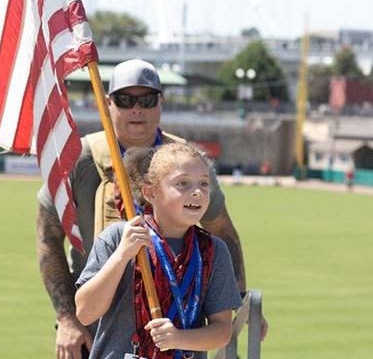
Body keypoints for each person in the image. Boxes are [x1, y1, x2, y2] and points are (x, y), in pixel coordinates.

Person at [36, 59, 266, 359]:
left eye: (146, 99)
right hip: (99, 320)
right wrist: (67, 318)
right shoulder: (80, 158)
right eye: (125, 99)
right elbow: (48, 238)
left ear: (161, 101)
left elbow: (223, 231)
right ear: (108, 103)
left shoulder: (185, 159)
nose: (136, 109)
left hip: (180, 326)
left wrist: (242, 302)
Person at [75, 143, 242, 358]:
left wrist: (178, 338)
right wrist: (122, 255)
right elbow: (85, 312)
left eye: (204, 183)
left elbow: (221, 331)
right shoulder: (118, 238)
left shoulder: (213, 250)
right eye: (183, 184)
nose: (197, 192)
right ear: (150, 192)